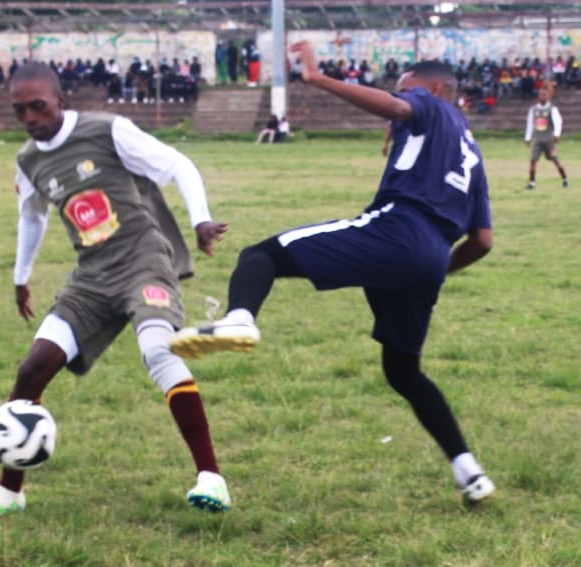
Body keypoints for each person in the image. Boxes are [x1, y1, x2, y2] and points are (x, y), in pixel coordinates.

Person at [170, 41, 497, 505]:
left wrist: (317, 78)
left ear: (437, 88)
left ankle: (240, 319)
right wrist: (437, 268)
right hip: (430, 257)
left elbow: (398, 105)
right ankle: (471, 473)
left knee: (260, 256)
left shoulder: (430, 107)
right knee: (403, 372)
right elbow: (483, 240)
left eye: (406, 91)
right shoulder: (473, 152)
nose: (398, 105)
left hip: (398, 229)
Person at [0, 63, 234, 517]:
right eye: (20, 110)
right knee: (33, 369)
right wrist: (19, 278)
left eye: (38, 106)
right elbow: (32, 218)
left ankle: (212, 478)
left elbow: (177, 164)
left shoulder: (108, 131)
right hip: (91, 277)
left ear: (60, 99)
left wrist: (200, 219)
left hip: (144, 262)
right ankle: (9, 493)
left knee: (158, 351)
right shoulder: (29, 160)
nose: (30, 117)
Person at [524, 88, 568, 190]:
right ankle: (532, 182)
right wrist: (528, 137)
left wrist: (557, 134)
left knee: (555, 160)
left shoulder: (552, 109)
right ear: (538, 97)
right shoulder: (533, 110)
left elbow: (558, 122)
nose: (543, 97)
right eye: (541, 95)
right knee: (533, 160)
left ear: (548, 96)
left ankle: (564, 179)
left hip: (549, 139)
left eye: (544, 95)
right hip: (537, 139)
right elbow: (530, 124)